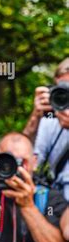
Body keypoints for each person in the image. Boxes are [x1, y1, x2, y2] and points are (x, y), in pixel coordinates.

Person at [0, 132, 68, 242]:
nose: (14, 169)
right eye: (7, 162)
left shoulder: (49, 197)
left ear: (35, 162)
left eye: (22, 162)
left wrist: (28, 206)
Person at [23, 58, 69, 201]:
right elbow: (28, 164)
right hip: (59, 203)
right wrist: (35, 118)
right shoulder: (50, 120)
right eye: (64, 89)